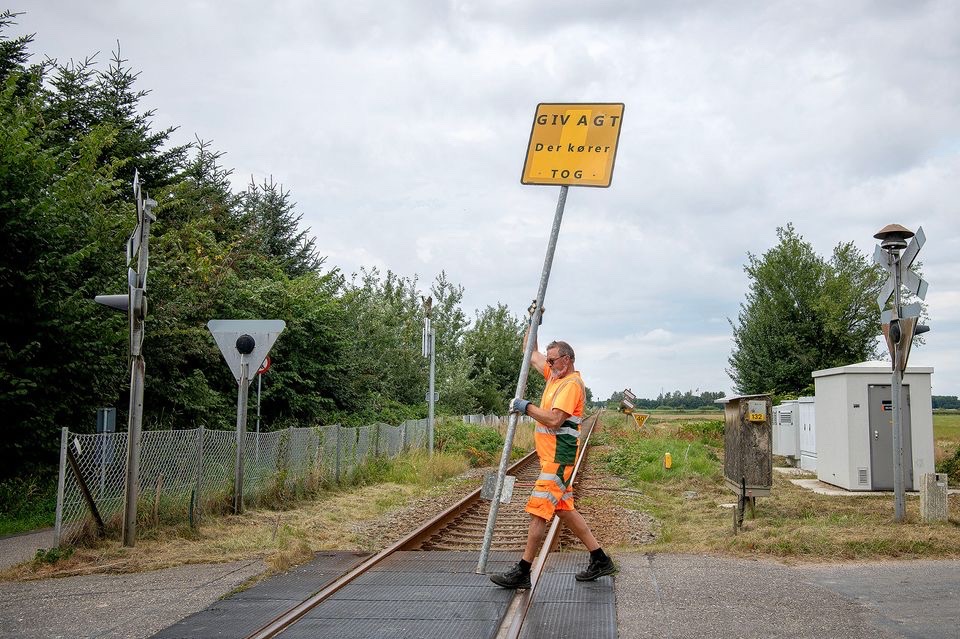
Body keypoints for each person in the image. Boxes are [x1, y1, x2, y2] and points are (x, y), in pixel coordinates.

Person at [489, 326, 615, 589]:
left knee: (538, 510)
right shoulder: (554, 377)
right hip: (551, 457)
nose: (547, 364)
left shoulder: (571, 384)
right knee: (563, 509)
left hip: (560, 457)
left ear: (566, 360)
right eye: (547, 361)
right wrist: (533, 322)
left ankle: (523, 570)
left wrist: (526, 407)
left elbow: (556, 420)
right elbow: (529, 353)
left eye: (552, 360)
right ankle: (600, 559)